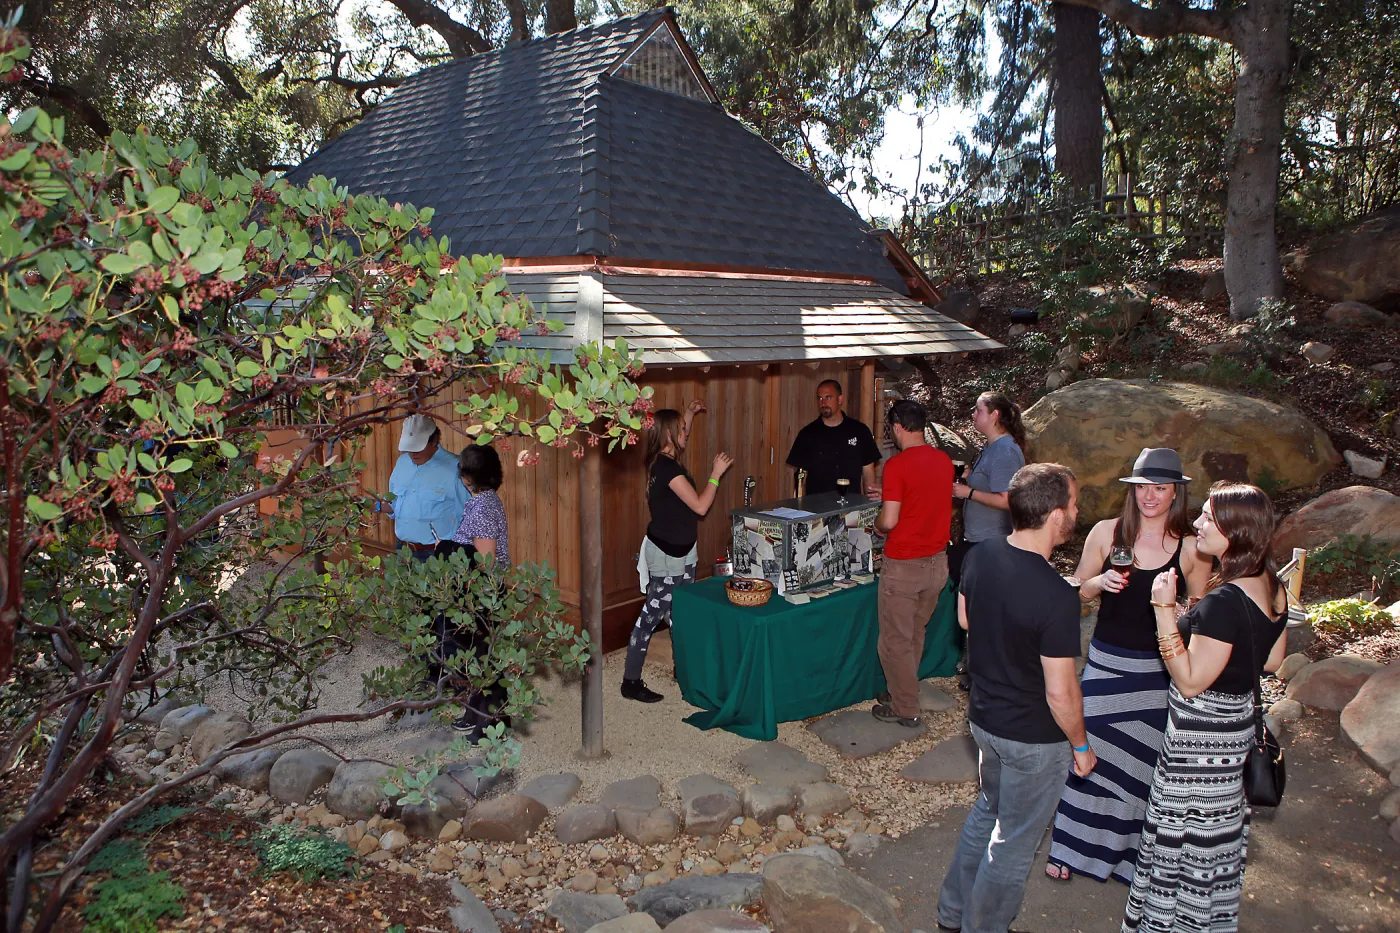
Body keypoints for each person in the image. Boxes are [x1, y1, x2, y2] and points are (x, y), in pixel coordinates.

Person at [936, 463, 1097, 933]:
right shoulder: (1055, 596)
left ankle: (951, 914)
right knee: (1014, 843)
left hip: (984, 722)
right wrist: (1082, 747)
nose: (1076, 510)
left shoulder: (980, 556)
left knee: (988, 811)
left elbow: (965, 620)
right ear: (1053, 514)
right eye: (1073, 503)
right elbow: (1061, 693)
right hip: (1033, 739)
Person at [1121, 483, 1287, 933]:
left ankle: (1171, 923)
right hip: (1234, 735)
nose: (1197, 523)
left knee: (1184, 844)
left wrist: (1163, 610)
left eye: (1209, 518)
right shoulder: (1273, 585)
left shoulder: (1224, 601)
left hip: (1198, 747)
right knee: (1215, 844)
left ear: (1236, 530)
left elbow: (1191, 681)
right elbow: (1270, 660)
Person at [1046, 448, 1211, 884]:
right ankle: (1070, 847)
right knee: (1088, 755)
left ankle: (1125, 857)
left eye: (1160, 488)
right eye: (1143, 488)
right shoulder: (1106, 533)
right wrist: (1097, 584)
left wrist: (1176, 611)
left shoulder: (1193, 548)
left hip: (1158, 674)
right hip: (1105, 664)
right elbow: (1075, 592)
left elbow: (1200, 616)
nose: (1150, 497)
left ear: (1176, 492)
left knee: (1142, 766)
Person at [622, 401, 733, 703]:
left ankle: (682, 669)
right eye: (683, 430)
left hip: (685, 553)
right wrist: (715, 474)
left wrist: (691, 414)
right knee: (650, 616)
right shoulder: (667, 468)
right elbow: (700, 506)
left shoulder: (662, 459)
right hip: (667, 556)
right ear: (670, 436)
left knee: (680, 614)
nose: (687, 433)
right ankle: (630, 681)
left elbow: (676, 432)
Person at [870, 399, 954, 728]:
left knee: (894, 640)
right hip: (937, 563)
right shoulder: (943, 461)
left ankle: (906, 707)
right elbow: (925, 499)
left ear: (898, 427)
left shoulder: (897, 465)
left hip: (904, 564)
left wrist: (876, 525)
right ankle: (902, 690)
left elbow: (889, 521)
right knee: (915, 633)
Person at [948, 391, 1026, 584]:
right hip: (978, 539)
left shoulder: (1005, 451)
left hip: (993, 542)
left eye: (978, 410)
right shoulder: (991, 447)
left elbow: (1007, 499)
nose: (973, 415)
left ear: (995, 415)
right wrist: (970, 476)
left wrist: (969, 493)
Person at [378, 414, 470, 559]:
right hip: (402, 552)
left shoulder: (456, 468)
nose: (413, 453)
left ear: (434, 441)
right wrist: (375, 505)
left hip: (437, 556)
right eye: (409, 448)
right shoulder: (402, 463)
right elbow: (395, 507)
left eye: (418, 448)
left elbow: (467, 517)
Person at [785, 379, 882, 496]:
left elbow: (868, 474)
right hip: (817, 508)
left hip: (851, 507)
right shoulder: (807, 434)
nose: (823, 403)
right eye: (820, 398)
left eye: (828, 397)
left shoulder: (860, 431)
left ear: (840, 399)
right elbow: (800, 479)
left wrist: (868, 507)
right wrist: (800, 508)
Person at [452, 444, 509, 566]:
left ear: (468, 475)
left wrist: (445, 549)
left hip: (480, 584)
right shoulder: (487, 499)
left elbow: (485, 563)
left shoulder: (483, 510)